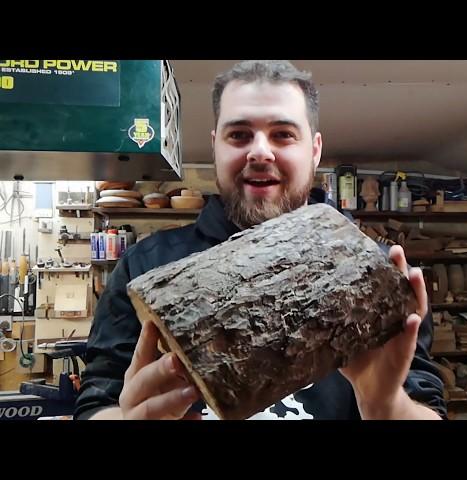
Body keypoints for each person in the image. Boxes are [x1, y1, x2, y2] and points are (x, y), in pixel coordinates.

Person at [74, 60, 446, 420]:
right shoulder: (145, 266)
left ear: (314, 150)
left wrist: (383, 405)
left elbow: (428, 404)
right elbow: (96, 401)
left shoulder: (380, 274)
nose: (260, 152)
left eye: (283, 134)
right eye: (239, 135)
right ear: (216, 146)